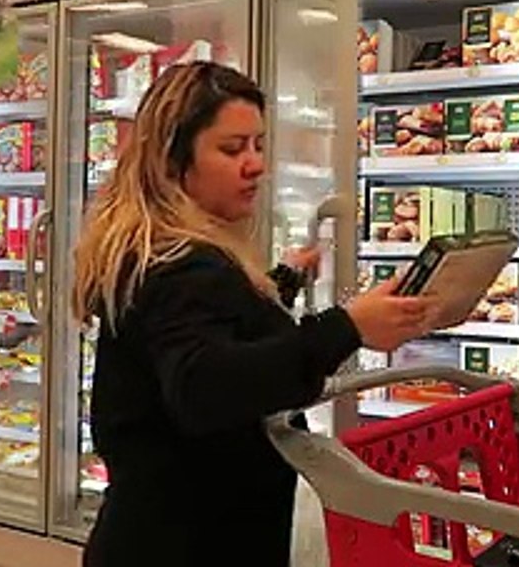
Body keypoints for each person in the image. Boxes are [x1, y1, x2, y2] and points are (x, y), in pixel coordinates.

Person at [74, 62, 442, 566]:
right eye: (232, 149)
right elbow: (205, 385)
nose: (255, 165)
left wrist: (280, 283)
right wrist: (347, 328)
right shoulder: (178, 263)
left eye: (258, 145)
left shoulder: (167, 251)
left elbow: (210, 328)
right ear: (173, 158)